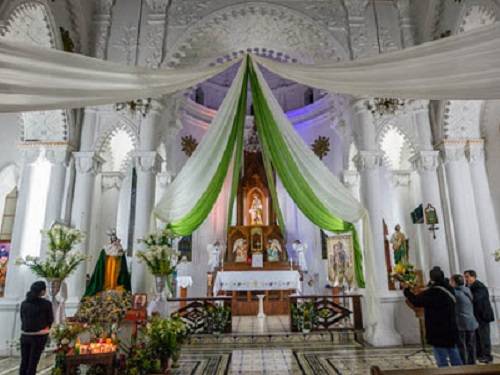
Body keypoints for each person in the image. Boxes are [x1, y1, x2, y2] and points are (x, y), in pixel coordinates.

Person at [403, 267, 462, 367]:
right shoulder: (449, 288)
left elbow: (416, 301)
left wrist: (407, 291)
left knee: (441, 357)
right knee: (453, 352)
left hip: (437, 329)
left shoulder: (433, 292)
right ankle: (460, 372)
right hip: (451, 327)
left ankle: (444, 372)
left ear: (431, 278)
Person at [20, 281, 54, 375]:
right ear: (42, 291)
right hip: (38, 336)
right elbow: (50, 319)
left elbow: (22, 318)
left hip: (25, 336)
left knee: (24, 362)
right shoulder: (46, 304)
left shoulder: (24, 303)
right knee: (33, 363)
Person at [464, 269, 494, 363]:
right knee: (477, 336)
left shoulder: (479, 286)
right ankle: (479, 354)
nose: (466, 279)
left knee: (484, 336)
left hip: (483, 316)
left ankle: (487, 356)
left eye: (467, 276)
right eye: (465, 277)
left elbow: (476, 299)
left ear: (473, 277)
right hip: (475, 316)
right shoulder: (468, 286)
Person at [449, 274, 478, 364]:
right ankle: (472, 363)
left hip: (461, 323)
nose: (450, 283)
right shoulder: (467, 290)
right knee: (471, 345)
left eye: (451, 281)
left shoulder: (455, 293)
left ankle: (464, 365)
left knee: (461, 345)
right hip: (471, 322)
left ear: (454, 282)